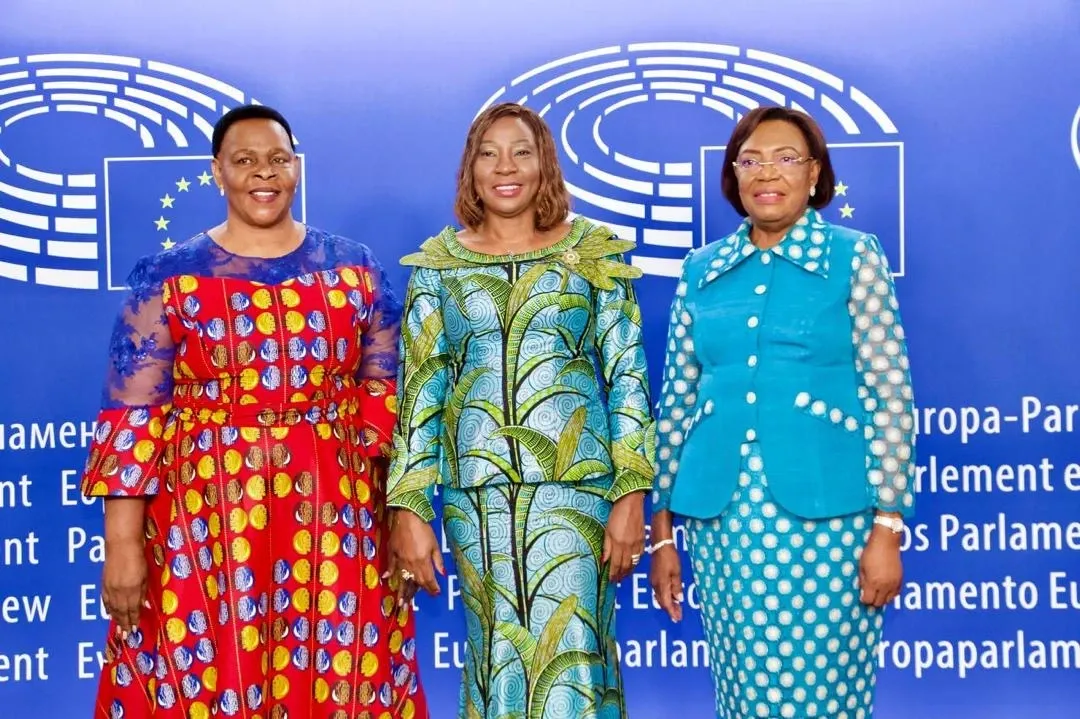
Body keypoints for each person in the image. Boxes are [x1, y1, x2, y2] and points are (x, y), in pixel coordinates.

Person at [80, 104, 428, 719]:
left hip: (336, 512)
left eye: (275, 159)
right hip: (204, 520)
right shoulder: (167, 278)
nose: (261, 174)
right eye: (243, 161)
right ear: (218, 172)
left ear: (295, 169)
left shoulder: (356, 270)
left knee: (342, 668)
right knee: (205, 673)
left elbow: (387, 404)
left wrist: (402, 516)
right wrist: (123, 543)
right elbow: (132, 420)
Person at [386, 102, 653, 719]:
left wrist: (631, 494)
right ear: (471, 170)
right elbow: (420, 391)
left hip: (578, 493)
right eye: (489, 153)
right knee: (495, 658)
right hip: (476, 502)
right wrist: (407, 505)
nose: (506, 167)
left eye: (522, 152)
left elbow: (628, 378)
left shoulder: (593, 253)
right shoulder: (439, 265)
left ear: (545, 165)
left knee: (576, 658)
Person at [648, 106, 915, 719]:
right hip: (724, 524)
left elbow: (889, 393)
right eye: (751, 159)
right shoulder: (702, 270)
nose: (768, 172)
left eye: (787, 158)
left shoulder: (854, 258)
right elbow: (678, 402)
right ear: (734, 176)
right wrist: (661, 533)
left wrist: (888, 527)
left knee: (826, 693)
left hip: (832, 520)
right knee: (746, 692)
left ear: (815, 173)